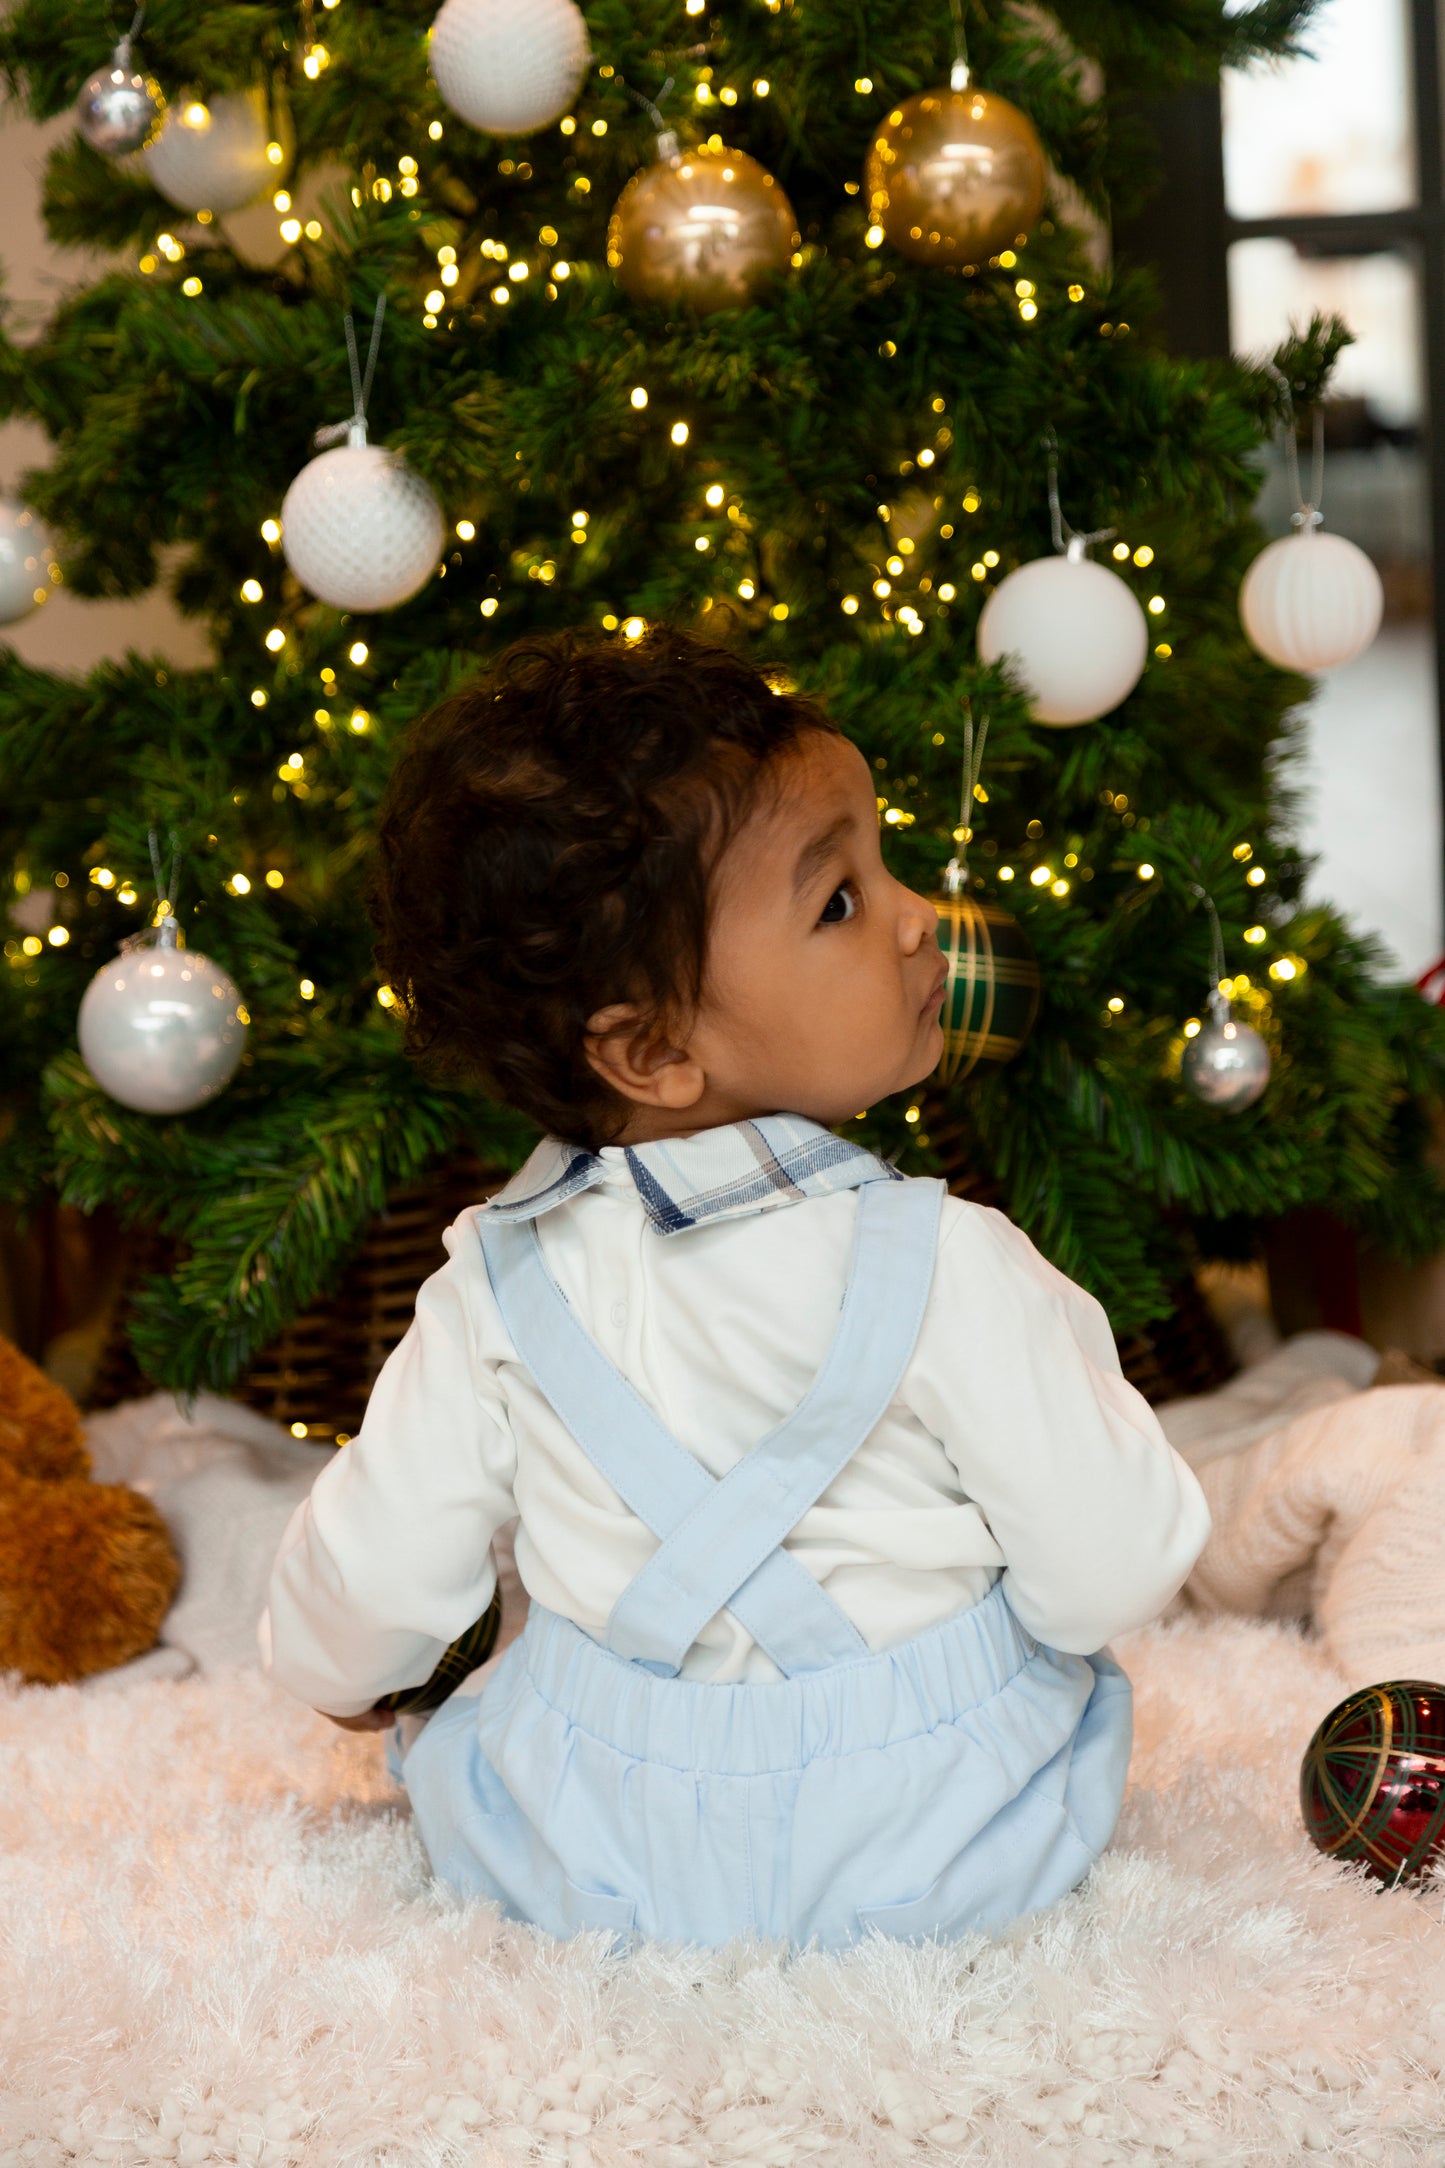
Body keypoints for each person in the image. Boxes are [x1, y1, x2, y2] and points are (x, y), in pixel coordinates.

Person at [259, 625, 1211, 1951]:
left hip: (590, 1848)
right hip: (937, 1841)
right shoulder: (954, 1260)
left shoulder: (492, 1276)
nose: (915, 913)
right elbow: (1109, 1573)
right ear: (650, 1048)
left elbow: (368, 1583)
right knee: (1070, 1681)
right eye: (838, 899)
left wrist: (345, 1685)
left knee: (478, 1729)